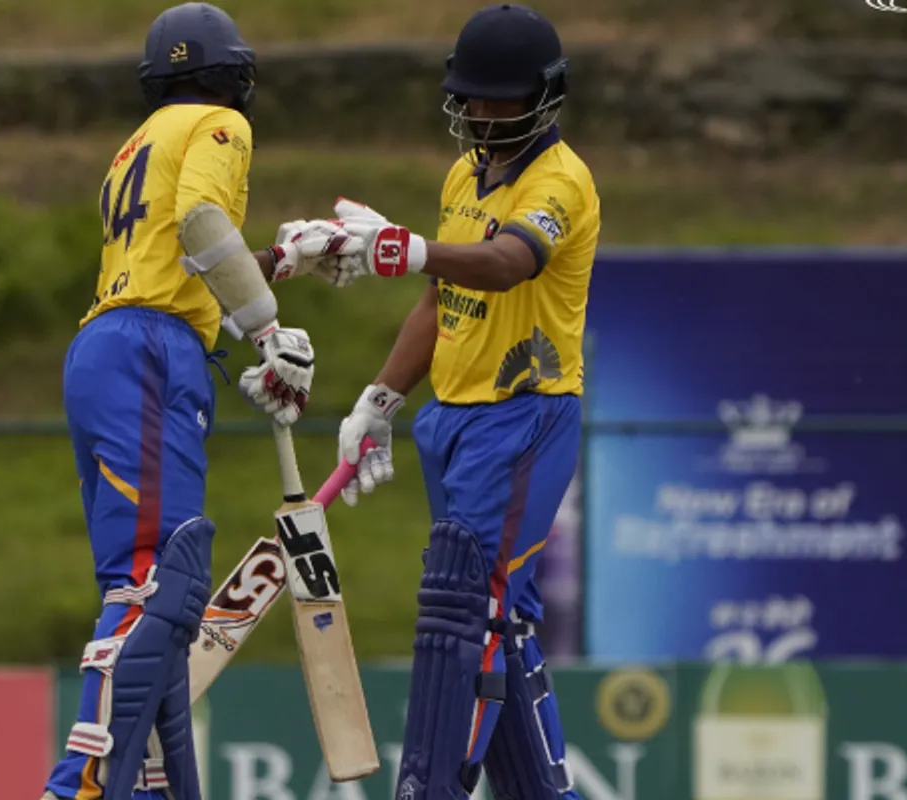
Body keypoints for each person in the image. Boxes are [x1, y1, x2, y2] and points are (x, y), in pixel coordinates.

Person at [290, 5, 601, 798]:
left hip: (525, 417)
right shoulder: (464, 175)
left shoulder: (562, 182)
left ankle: (427, 788)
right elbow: (441, 298)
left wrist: (407, 247)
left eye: (499, 100)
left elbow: (502, 263)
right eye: (471, 98)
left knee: (466, 604)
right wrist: (380, 400)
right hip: (452, 421)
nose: (480, 114)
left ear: (543, 97)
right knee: (503, 618)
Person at [42, 4, 342, 799]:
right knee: (155, 585)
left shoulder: (136, 145)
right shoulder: (220, 125)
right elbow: (203, 221)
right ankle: (81, 785)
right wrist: (268, 332)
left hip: (112, 347)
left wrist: (284, 258)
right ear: (235, 77)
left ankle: (155, 785)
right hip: (149, 352)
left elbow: (186, 257)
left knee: (157, 598)